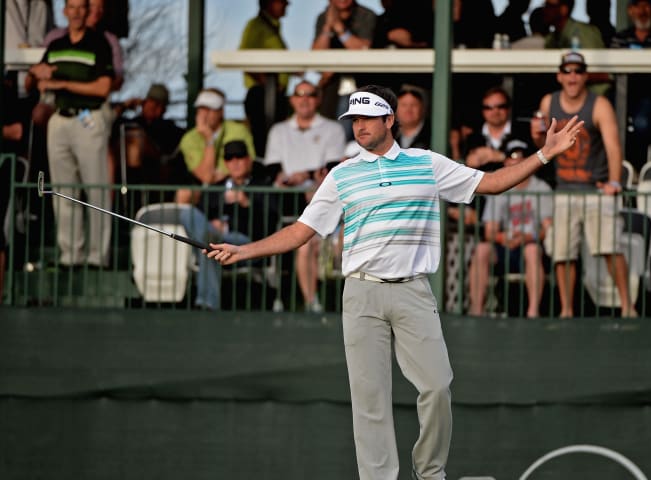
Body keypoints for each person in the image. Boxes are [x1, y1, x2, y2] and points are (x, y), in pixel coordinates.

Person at [207, 84, 584, 480]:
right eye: (354, 119)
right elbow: (302, 231)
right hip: (361, 293)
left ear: (390, 119)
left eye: (368, 117)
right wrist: (243, 251)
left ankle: (430, 473)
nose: (360, 126)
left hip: (413, 291)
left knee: (437, 387)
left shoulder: (426, 163)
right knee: (370, 402)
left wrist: (544, 154)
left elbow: (490, 182)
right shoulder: (341, 175)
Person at [530, 52, 636, 318]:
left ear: (585, 75)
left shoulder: (599, 105)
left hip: (596, 189)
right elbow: (544, 147)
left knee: (609, 248)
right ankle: (566, 310)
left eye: (578, 71)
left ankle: (627, 306)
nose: (572, 76)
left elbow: (614, 147)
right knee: (562, 254)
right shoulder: (548, 101)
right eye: (567, 71)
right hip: (564, 189)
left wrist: (614, 182)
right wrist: (536, 135)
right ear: (559, 76)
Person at [26, 0, 114, 267]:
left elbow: (102, 88)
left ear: (87, 12)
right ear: (64, 11)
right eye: (71, 7)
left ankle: (98, 257)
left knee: (96, 189)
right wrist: (36, 73)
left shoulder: (99, 44)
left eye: (81, 7)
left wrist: (62, 82)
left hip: (88, 119)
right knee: (64, 190)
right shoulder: (55, 46)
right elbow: (36, 82)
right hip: (59, 120)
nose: (76, 13)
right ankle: (70, 255)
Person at [264, 79, 346, 312]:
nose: (304, 99)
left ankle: (315, 305)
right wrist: (286, 179)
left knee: (308, 245)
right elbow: (273, 169)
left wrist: (308, 176)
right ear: (292, 99)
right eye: (299, 94)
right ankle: (308, 303)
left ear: (318, 99)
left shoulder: (332, 128)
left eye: (310, 94)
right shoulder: (279, 130)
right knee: (295, 244)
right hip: (286, 206)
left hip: (324, 204)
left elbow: (332, 168)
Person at [179, 140, 277, 310]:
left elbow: (271, 219)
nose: (235, 162)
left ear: (248, 160)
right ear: (225, 163)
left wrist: (246, 202)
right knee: (188, 214)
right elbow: (201, 212)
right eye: (230, 158)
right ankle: (210, 243)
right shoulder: (217, 187)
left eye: (239, 157)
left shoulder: (262, 185)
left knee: (209, 246)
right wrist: (213, 222)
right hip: (214, 238)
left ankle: (206, 305)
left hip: (246, 241)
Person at [468, 139, 553, 319]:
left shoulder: (541, 187)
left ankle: (533, 312)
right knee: (482, 249)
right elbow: (489, 231)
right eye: (512, 158)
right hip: (503, 246)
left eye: (522, 158)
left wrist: (528, 237)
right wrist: (503, 238)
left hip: (531, 243)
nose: (516, 162)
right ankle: (477, 311)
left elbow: (548, 229)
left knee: (532, 250)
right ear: (506, 162)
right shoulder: (498, 184)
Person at [610, 0, 651, 170]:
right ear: (630, 11)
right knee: (606, 118)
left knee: (642, 123)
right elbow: (613, 69)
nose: (642, 11)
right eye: (638, 6)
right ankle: (613, 167)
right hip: (622, 93)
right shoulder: (621, 38)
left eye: (647, 6)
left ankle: (637, 167)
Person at [176, 88, 255, 203]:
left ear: (221, 112)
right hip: (205, 191)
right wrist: (209, 139)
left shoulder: (238, 130)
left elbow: (246, 164)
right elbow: (207, 177)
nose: (205, 114)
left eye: (210, 109)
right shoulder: (189, 139)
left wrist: (220, 174)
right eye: (201, 109)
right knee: (184, 194)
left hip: (236, 185)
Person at [239, 0, 290, 155]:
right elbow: (243, 58)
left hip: (274, 95)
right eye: (282, 2)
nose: (286, 5)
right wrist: (266, 82)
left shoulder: (274, 26)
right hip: (262, 95)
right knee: (262, 141)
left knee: (276, 139)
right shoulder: (255, 25)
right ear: (269, 3)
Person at [312, 0, 377, 120]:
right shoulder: (323, 17)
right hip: (332, 87)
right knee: (329, 128)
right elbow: (316, 55)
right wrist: (327, 27)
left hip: (363, 85)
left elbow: (363, 50)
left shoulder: (366, 15)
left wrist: (339, 28)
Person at [110, 83, 185, 187]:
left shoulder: (168, 128)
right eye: (151, 102)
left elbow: (168, 155)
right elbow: (108, 121)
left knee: (136, 141)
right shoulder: (130, 123)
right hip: (121, 172)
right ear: (144, 103)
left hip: (153, 175)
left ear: (164, 109)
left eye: (159, 105)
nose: (153, 107)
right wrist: (124, 106)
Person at [464, 87, 533, 174]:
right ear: (482, 110)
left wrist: (500, 156)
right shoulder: (473, 137)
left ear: (509, 108)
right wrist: (471, 161)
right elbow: (467, 165)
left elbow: (534, 162)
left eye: (501, 106)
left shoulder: (524, 131)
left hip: (519, 186)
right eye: (488, 107)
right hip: (485, 185)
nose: (495, 111)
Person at [395, 84, 431, 150]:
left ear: (423, 108)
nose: (408, 110)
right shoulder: (389, 135)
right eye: (404, 105)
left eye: (414, 105)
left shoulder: (434, 135)